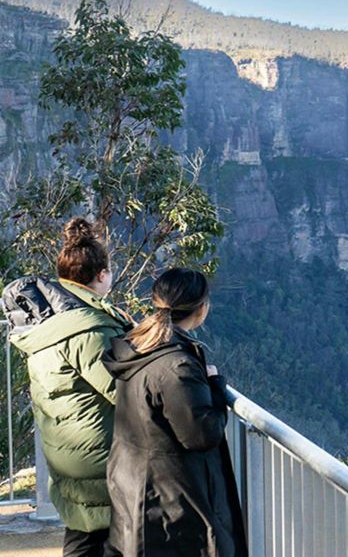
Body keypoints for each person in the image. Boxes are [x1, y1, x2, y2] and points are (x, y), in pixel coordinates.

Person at [1, 217, 133, 557]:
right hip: (98, 456)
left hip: (65, 451)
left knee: (82, 536)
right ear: (102, 275)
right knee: (105, 541)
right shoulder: (88, 329)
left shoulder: (45, 324)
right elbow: (122, 391)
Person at [102, 268, 246, 557]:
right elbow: (200, 434)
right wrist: (216, 389)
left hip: (136, 482)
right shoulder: (176, 364)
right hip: (169, 498)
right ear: (202, 308)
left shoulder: (139, 346)